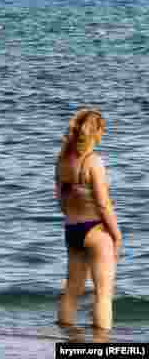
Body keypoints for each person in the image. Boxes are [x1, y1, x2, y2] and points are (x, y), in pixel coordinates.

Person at [55, 109, 121, 334]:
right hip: (95, 229)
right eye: (103, 130)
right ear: (97, 133)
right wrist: (116, 235)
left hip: (72, 229)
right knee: (104, 294)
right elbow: (103, 204)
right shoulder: (94, 162)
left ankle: (67, 339)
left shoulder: (62, 161)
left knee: (71, 291)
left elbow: (62, 203)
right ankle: (101, 344)